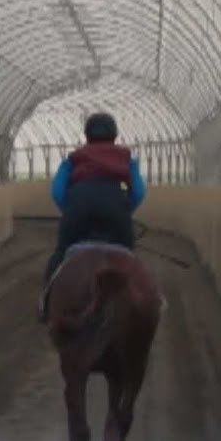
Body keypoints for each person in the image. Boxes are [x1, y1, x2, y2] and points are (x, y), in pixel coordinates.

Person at [38, 113, 147, 323]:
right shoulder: (127, 159)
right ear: (115, 136)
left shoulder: (73, 159)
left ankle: (46, 305)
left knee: (60, 254)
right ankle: (140, 307)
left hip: (78, 211)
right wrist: (125, 210)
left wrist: (69, 209)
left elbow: (57, 191)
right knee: (129, 257)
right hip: (116, 214)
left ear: (87, 136)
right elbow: (139, 192)